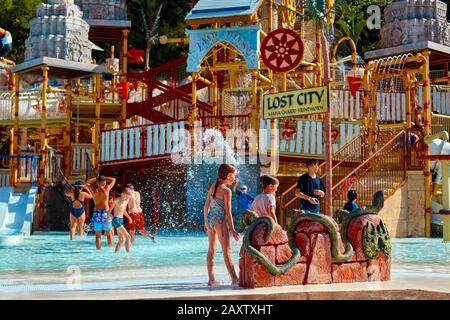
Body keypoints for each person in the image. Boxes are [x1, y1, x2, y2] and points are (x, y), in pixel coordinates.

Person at [203, 164, 240, 286]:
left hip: (210, 220)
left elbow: (206, 206)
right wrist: (233, 230)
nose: (235, 178)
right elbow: (228, 213)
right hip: (219, 221)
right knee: (227, 251)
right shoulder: (226, 190)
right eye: (234, 175)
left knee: (211, 250)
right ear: (229, 176)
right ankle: (235, 279)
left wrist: (206, 222)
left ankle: (211, 279)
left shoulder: (213, 186)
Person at [85, 175, 116, 250]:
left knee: (98, 235)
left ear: (97, 183)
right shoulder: (107, 189)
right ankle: (110, 249)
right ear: (104, 182)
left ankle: (98, 250)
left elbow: (87, 183)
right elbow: (113, 179)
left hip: (97, 214)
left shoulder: (93, 190)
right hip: (106, 214)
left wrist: (96, 178)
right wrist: (105, 178)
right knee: (109, 235)